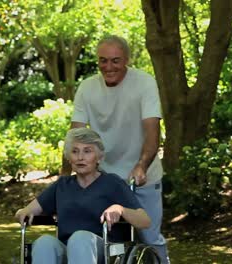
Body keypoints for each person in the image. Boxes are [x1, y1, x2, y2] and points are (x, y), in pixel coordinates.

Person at [71, 35, 169, 263]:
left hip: (142, 176)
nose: (108, 67)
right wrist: (67, 178)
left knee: (150, 237)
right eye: (103, 61)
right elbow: (75, 135)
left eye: (115, 61)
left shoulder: (144, 83)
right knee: (107, 239)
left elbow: (153, 131)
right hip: (103, 177)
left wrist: (141, 165)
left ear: (126, 60)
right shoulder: (87, 88)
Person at [15, 127, 151, 264]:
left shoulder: (112, 183)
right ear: (69, 158)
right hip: (67, 250)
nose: (80, 157)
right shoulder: (62, 185)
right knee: (44, 242)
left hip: (106, 250)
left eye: (87, 151)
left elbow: (144, 221)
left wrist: (120, 209)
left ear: (99, 158)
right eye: (75, 151)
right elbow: (24, 212)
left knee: (80, 239)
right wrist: (23, 212)